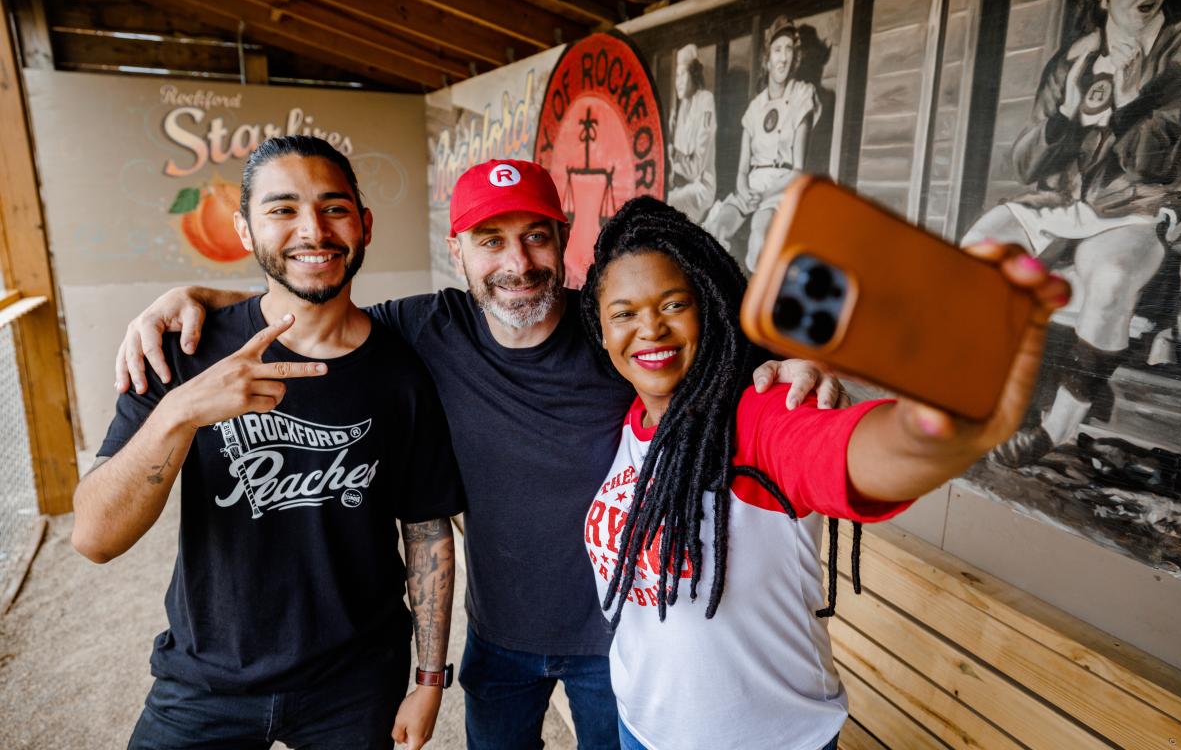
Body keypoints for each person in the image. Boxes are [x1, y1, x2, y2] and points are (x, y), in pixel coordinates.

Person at [113, 158, 844, 749]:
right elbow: (309, 305)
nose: (517, 264)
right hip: (498, 638)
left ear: (564, 240)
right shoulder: (424, 328)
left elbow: (706, 335)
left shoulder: (615, 327)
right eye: (490, 241)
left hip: (617, 640)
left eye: (536, 236)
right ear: (456, 251)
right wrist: (194, 297)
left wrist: (784, 365)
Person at [577, 197, 1069, 750]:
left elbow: (844, 453)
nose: (650, 329)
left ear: (710, 308)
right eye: (624, 313)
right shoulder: (626, 419)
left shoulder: (758, 414)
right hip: (641, 729)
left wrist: (933, 428)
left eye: (674, 304)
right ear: (600, 327)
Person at [74, 136, 464, 749]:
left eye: (334, 208)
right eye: (282, 210)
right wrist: (181, 413)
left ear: (363, 225)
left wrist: (430, 678)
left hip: (356, 683)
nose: (313, 230)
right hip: (206, 680)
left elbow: (425, 530)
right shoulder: (186, 348)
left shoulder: (404, 369)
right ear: (245, 232)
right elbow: (94, 539)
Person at [961, 0, 1181, 467]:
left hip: (1137, 203)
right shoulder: (1077, 55)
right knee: (975, 251)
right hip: (1065, 200)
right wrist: (1068, 108)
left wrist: (1132, 93)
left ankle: (1059, 426)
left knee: (1110, 277)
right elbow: (1026, 163)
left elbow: (1151, 161)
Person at [703, 15, 822, 271]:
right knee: (714, 230)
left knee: (760, 233)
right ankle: (724, 297)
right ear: (767, 59)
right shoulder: (755, 108)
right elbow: (743, 170)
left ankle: (753, 303)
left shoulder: (803, 94)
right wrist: (745, 191)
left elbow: (798, 169)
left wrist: (765, 196)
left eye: (789, 50)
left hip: (782, 185)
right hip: (752, 185)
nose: (783, 57)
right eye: (778, 50)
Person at [666, 44, 717, 222]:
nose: (677, 81)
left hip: (700, 187)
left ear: (694, 74)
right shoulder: (679, 109)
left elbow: (697, 166)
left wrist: (673, 154)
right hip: (679, 185)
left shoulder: (705, 101)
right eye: (676, 76)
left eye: (682, 74)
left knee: (665, 204)